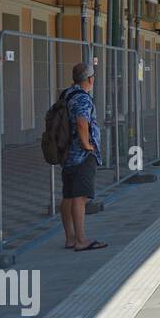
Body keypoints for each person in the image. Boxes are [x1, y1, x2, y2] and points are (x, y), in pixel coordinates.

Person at [61, 62, 106, 252]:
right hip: (81, 155)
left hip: (67, 153)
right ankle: (81, 240)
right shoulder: (82, 98)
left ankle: (70, 238)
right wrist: (88, 145)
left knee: (69, 196)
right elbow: (81, 123)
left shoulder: (67, 94)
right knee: (80, 197)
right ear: (90, 78)